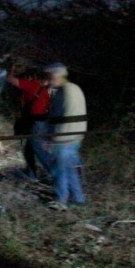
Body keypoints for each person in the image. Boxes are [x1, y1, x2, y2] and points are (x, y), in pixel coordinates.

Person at [44, 63, 87, 209]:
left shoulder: (64, 92)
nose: (49, 81)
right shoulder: (74, 88)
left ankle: (61, 200)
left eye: (50, 77)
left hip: (64, 139)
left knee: (59, 170)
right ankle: (78, 199)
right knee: (69, 169)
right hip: (75, 137)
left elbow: (62, 118)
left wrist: (53, 139)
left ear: (57, 76)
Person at [6, 66, 51, 180]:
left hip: (35, 123)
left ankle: (55, 173)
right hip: (40, 122)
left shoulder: (32, 85)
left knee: (39, 149)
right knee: (29, 148)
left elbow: (10, 79)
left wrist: (11, 68)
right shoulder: (43, 89)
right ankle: (31, 173)